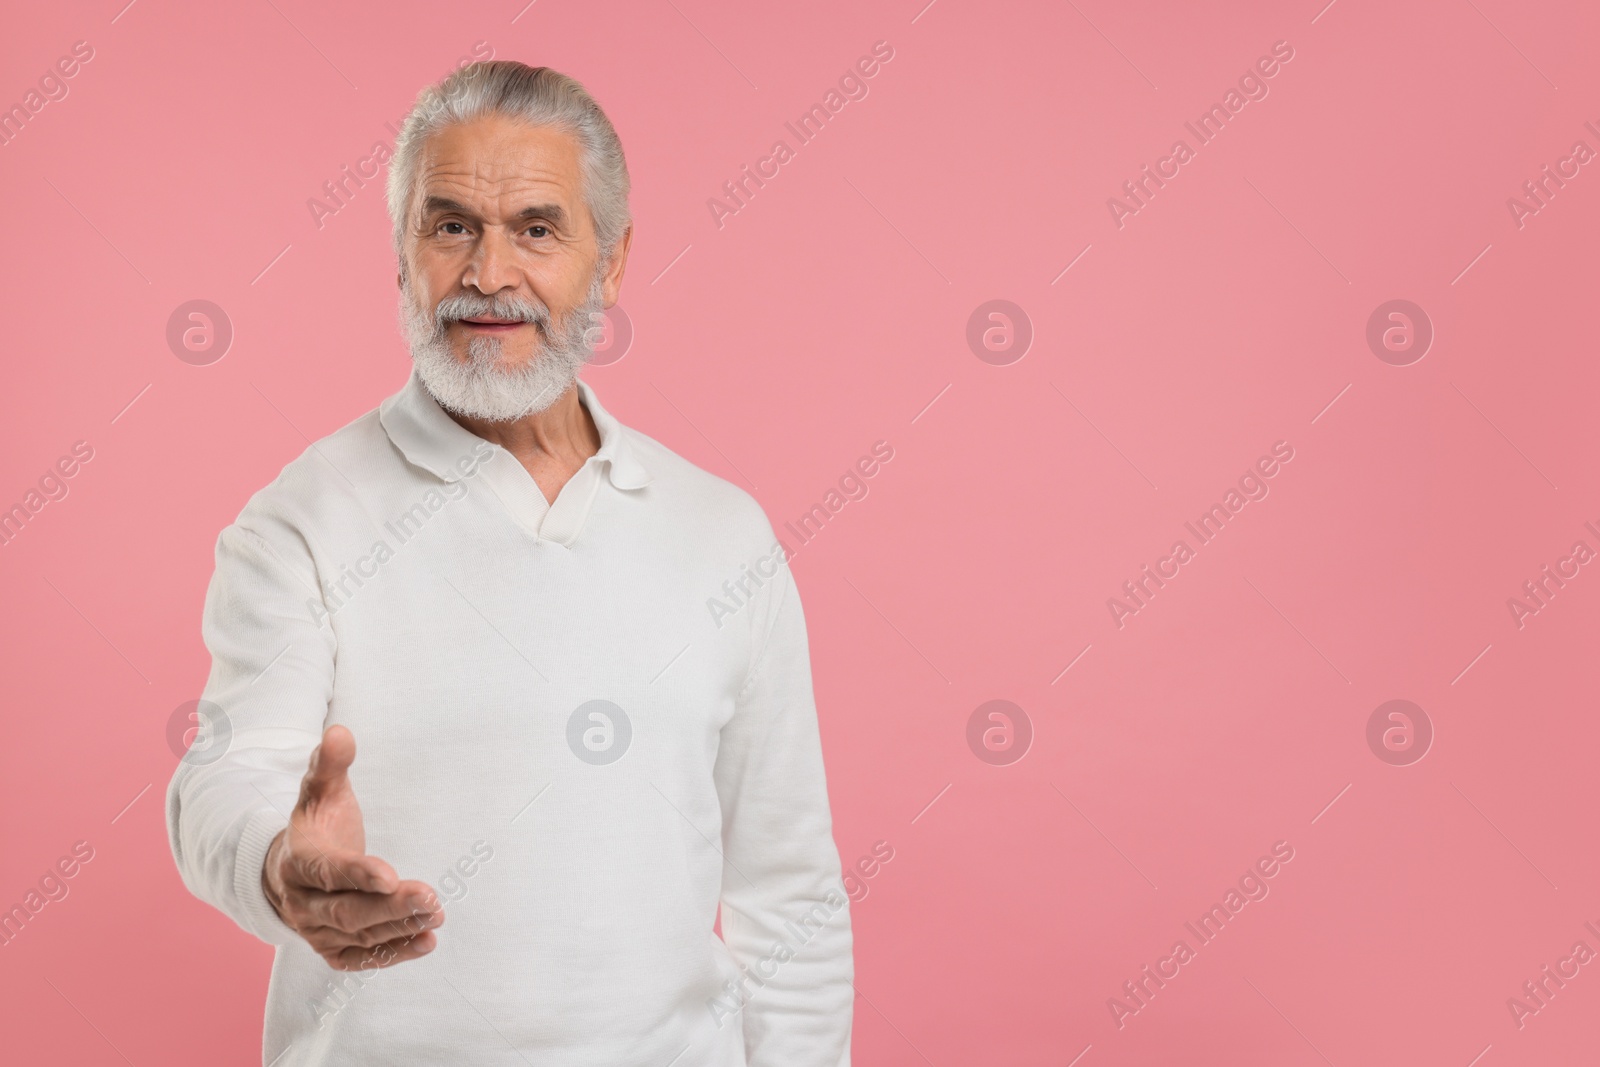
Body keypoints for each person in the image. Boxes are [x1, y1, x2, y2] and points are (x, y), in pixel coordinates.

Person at [165, 60, 853, 1066]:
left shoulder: (723, 535)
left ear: (610, 263)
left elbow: (788, 889)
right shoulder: (301, 522)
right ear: (402, 258)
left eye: (535, 227)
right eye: (450, 227)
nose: (488, 275)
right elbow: (226, 780)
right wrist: (283, 868)